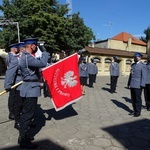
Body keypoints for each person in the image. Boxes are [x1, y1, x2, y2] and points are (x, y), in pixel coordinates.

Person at [18, 38, 49, 149]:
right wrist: (44, 50)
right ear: (32, 46)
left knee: (27, 114)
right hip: (30, 89)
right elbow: (42, 62)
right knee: (27, 115)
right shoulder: (27, 57)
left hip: (29, 88)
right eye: (36, 46)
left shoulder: (26, 57)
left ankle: (23, 136)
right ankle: (23, 140)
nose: (37, 47)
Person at [4, 42, 25, 130]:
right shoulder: (12, 56)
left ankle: (18, 117)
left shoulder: (13, 56)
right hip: (15, 81)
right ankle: (13, 115)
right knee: (14, 99)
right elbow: (10, 68)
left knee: (17, 100)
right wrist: (8, 84)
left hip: (17, 81)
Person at [128, 52, 147, 117]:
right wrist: (129, 83)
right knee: (133, 99)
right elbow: (131, 75)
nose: (134, 58)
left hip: (138, 85)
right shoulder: (133, 65)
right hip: (132, 84)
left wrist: (142, 85)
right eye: (134, 57)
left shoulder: (143, 65)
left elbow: (144, 76)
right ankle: (134, 110)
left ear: (139, 58)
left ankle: (138, 112)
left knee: (137, 99)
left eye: (136, 57)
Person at [5, 43, 20, 120]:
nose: (17, 49)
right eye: (16, 48)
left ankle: (13, 112)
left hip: (12, 78)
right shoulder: (12, 57)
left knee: (13, 97)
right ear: (14, 49)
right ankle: (12, 112)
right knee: (13, 97)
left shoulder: (8, 56)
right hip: (13, 79)